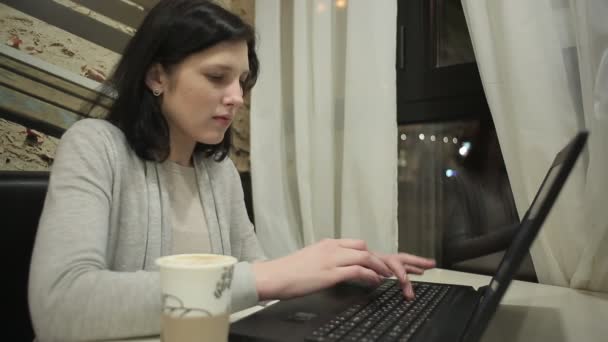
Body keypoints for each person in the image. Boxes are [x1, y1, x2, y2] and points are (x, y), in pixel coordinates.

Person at [28, 1, 435, 341]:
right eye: (217, 77)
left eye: (241, 81)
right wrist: (268, 277)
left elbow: (256, 284)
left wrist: (337, 271)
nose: (237, 97)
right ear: (156, 76)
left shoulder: (217, 172)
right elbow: (60, 305)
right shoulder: (94, 145)